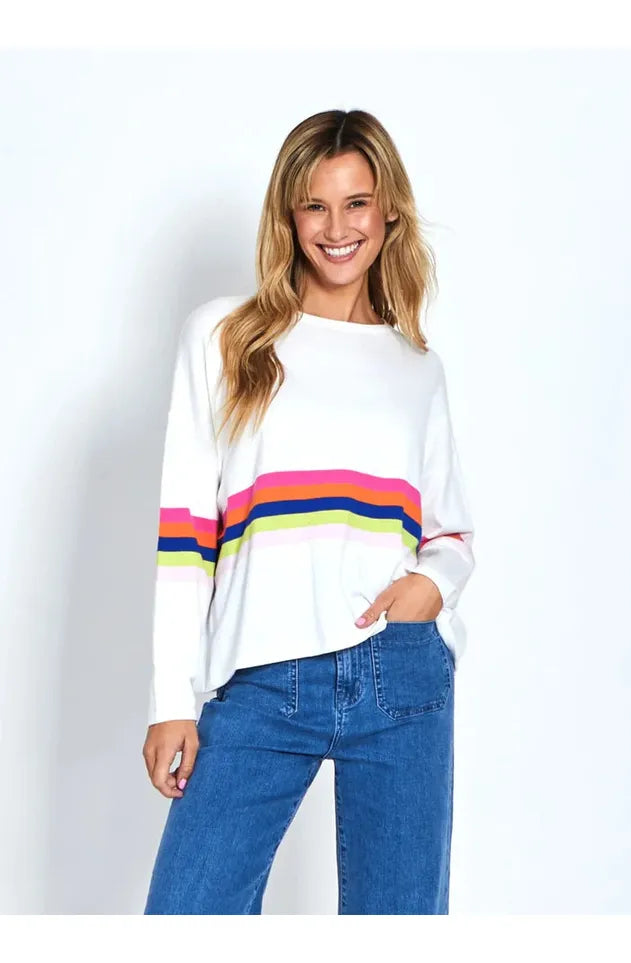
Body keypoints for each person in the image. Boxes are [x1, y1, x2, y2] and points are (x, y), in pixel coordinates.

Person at [142, 108, 475, 915]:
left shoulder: (416, 366)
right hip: (262, 679)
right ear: (288, 217)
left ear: (388, 213)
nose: (337, 228)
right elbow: (187, 536)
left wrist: (430, 586)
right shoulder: (226, 338)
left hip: (398, 674)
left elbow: (451, 532)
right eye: (315, 206)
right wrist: (171, 701)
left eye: (357, 203)